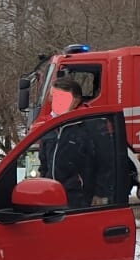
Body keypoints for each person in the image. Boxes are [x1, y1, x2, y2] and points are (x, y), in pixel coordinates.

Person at [38, 79, 112, 207]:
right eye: (52, 97)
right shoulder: (49, 126)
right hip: (52, 194)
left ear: (76, 100)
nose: (54, 102)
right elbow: (44, 162)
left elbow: (105, 162)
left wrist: (100, 193)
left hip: (80, 197)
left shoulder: (91, 125)